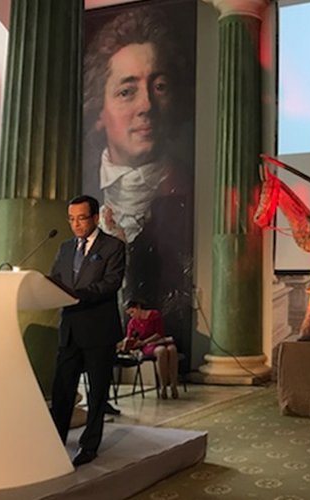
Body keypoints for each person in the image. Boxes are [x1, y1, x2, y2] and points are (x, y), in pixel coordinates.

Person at [82, 6, 194, 360]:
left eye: (159, 86)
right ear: (100, 110)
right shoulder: (85, 195)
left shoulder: (188, 193)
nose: (146, 105)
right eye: (126, 91)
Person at [49, 195, 126, 466]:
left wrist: (75, 295)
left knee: (97, 392)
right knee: (62, 389)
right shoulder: (65, 248)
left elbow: (111, 283)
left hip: (99, 330)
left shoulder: (113, 247)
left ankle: (89, 445)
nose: (76, 224)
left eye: (81, 218)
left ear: (95, 218)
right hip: (69, 329)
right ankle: (55, 440)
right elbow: (55, 280)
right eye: (71, 219)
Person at [120, 300, 179, 400]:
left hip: (158, 340)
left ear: (138, 307)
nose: (132, 315)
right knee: (161, 351)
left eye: (132, 312)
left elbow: (159, 333)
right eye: (129, 314)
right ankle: (163, 386)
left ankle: (173, 384)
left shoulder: (154, 315)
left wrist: (145, 341)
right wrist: (132, 343)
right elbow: (129, 338)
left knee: (172, 349)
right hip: (147, 346)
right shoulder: (132, 322)